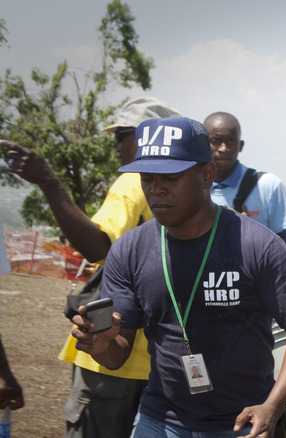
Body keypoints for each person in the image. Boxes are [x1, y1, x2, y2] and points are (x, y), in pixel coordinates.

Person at [70, 116, 286, 437]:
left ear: (207, 175)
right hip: (160, 418)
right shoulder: (129, 250)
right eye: (147, 179)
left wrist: (272, 406)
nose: (156, 190)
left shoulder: (258, 245)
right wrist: (101, 345)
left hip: (244, 423)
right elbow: (117, 354)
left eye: (170, 178)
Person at [1, 96, 180, 438]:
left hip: (110, 358)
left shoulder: (134, 183)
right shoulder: (191, 190)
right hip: (160, 365)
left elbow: (96, 245)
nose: (117, 147)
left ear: (144, 138)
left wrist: (48, 181)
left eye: (121, 136)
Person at [204, 112, 286, 254]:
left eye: (230, 142)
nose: (223, 148)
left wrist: (249, 231)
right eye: (216, 141)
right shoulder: (189, 187)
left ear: (240, 145)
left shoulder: (267, 185)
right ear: (203, 144)